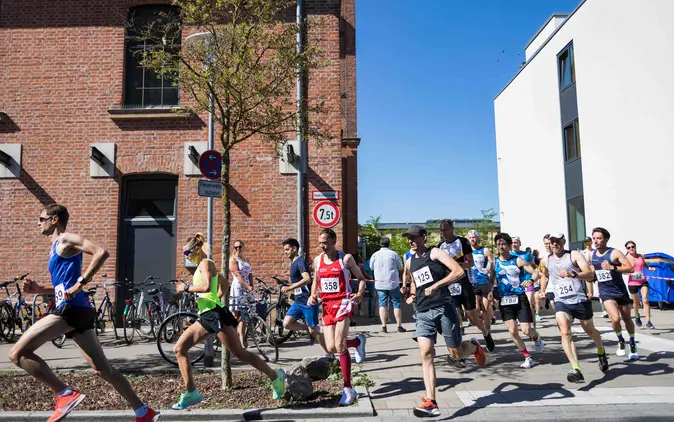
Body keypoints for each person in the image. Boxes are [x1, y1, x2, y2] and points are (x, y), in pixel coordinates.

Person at [11, 204, 159, 422]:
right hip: (77, 310)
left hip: (70, 311)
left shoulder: (66, 239)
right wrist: (41, 289)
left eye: (41, 218)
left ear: (54, 219)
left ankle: (64, 394)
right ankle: (143, 411)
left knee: (18, 354)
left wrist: (81, 283)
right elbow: (64, 287)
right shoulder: (56, 247)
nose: (37, 222)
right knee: (104, 370)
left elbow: (101, 253)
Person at [173, 234, 285, 409]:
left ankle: (275, 376)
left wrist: (186, 288)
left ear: (196, 249)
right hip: (207, 315)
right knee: (180, 348)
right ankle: (191, 392)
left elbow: (206, 286)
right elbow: (223, 284)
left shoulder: (205, 263)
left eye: (187, 252)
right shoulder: (203, 266)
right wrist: (214, 298)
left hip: (215, 315)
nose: (185, 255)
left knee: (240, 353)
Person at [404, 225, 486, 417]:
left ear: (423, 237)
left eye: (414, 237)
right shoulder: (409, 262)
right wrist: (413, 295)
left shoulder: (435, 253)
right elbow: (416, 282)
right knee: (426, 353)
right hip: (423, 312)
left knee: (456, 354)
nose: (410, 241)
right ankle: (431, 402)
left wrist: (437, 285)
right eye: (409, 238)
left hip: (444, 308)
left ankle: (473, 347)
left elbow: (459, 271)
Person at [537, 233, 609, 383]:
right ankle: (576, 369)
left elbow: (590, 274)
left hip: (579, 300)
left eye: (558, 241)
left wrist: (574, 274)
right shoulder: (546, 260)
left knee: (590, 331)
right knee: (564, 332)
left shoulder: (574, 255)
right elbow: (543, 274)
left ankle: (600, 350)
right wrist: (542, 289)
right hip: (561, 301)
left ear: (563, 242)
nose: (555, 244)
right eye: (552, 242)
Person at [308, 228, 367, 406]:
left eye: (325, 242)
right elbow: (316, 281)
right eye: (320, 243)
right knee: (331, 347)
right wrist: (313, 295)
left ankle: (348, 388)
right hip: (326, 306)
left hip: (343, 303)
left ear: (334, 241)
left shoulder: (345, 259)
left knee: (340, 344)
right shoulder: (318, 260)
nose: (322, 246)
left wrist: (359, 293)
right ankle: (357, 342)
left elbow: (361, 278)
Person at [438, 219, 494, 351]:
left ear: (452, 228)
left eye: (445, 229)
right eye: (441, 230)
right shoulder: (440, 246)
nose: (443, 232)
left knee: (472, 318)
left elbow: (470, 263)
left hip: (465, 283)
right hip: (450, 284)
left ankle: (485, 333)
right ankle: (458, 347)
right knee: (455, 315)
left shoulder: (462, 242)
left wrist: (455, 266)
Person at [492, 233, 545, 369]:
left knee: (526, 330)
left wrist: (530, 280)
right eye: (498, 244)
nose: (500, 246)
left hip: (520, 297)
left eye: (503, 244)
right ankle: (527, 357)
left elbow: (535, 272)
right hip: (505, 300)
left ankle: (536, 337)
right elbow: (491, 280)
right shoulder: (495, 262)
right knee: (513, 331)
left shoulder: (518, 260)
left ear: (509, 246)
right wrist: (490, 292)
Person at [590, 227, 637, 359]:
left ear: (605, 239)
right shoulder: (591, 254)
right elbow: (591, 270)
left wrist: (613, 267)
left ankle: (632, 342)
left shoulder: (615, 253)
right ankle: (621, 340)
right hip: (605, 292)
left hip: (620, 291)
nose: (595, 241)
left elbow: (630, 268)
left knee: (627, 318)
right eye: (594, 238)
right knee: (615, 318)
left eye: (598, 238)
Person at [280, 238, 328, 351]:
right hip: (298, 301)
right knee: (287, 324)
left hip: (307, 301)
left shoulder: (300, 262)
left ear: (294, 249)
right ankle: (311, 328)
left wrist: (290, 287)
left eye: (287, 249)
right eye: (284, 250)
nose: (285, 252)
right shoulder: (294, 263)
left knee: (313, 332)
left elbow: (306, 279)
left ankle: (329, 351)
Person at [370, 237, 406, 333]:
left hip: (380, 283)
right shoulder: (393, 254)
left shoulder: (375, 255)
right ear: (389, 244)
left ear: (380, 244)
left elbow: (371, 267)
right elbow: (400, 267)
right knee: (396, 304)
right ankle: (399, 326)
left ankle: (384, 326)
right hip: (393, 282)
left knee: (382, 304)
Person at [466, 230, 495, 346]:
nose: (472, 239)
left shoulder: (484, 250)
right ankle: (484, 329)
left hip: (484, 282)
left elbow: (492, 262)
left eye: (474, 237)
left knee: (486, 307)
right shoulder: (465, 252)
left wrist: (489, 270)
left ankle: (488, 332)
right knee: (476, 309)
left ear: (477, 238)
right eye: (470, 238)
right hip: (472, 282)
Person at [625, 241, 656, 329]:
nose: (631, 248)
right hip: (632, 283)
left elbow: (644, 264)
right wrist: (627, 273)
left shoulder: (640, 256)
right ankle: (637, 315)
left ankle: (648, 321)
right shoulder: (625, 258)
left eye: (632, 246)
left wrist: (650, 268)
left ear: (635, 247)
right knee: (636, 302)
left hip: (642, 281)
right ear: (626, 249)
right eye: (629, 247)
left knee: (645, 300)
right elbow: (622, 269)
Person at [228, 240, 253, 347]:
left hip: (247, 288)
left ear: (243, 247)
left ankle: (242, 338)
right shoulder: (233, 259)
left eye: (240, 247)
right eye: (236, 247)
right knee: (236, 314)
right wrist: (247, 286)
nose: (238, 249)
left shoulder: (246, 259)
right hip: (238, 287)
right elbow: (237, 274)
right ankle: (232, 338)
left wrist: (251, 285)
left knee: (245, 314)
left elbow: (250, 273)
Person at [511, 236, 539, 324]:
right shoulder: (509, 255)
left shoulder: (526, 255)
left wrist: (534, 275)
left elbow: (533, 266)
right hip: (516, 284)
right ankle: (522, 321)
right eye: (512, 243)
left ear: (519, 244)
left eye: (516, 242)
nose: (514, 244)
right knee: (517, 305)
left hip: (527, 282)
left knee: (529, 303)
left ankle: (533, 324)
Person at [581, 236, 608, 318]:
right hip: (588, 274)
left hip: (596, 273)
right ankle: (587, 310)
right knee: (590, 293)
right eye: (586, 242)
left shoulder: (594, 251)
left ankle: (604, 310)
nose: (587, 244)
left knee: (600, 291)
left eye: (589, 242)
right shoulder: (582, 252)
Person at [540, 234, 556, 313]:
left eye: (549, 243)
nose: (548, 245)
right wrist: (542, 291)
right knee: (555, 307)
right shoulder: (544, 258)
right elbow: (544, 275)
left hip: (562, 285)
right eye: (546, 244)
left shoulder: (560, 254)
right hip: (551, 286)